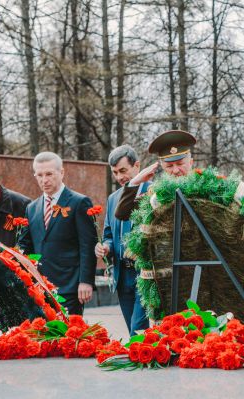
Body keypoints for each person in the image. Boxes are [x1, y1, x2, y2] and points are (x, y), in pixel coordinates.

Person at [18, 152, 97, 315]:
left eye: (49, 174)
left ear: (61, 173)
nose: (44, 180)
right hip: (41, 288)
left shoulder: (79, 202)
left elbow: (87, 245)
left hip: (70, 285)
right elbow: (26, 246)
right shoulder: (31, 208)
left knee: (68, 337)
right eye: (39, 175)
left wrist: (86, 281)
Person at [95, 145, 149, 336]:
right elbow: (108, 234)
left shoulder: (153, 192)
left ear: (137, 166)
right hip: (122, 275)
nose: (119, 177)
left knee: (138, 332)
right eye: (115, 172)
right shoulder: (113, 198)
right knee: (132, 331)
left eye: (123, 171)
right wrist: (105, 247)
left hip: (146, 275)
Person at [115, 130, 196, 221]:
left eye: (180, 164)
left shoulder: (206, 187)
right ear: (162, 167)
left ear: (190, 162)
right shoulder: (155, 194)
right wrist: (134, 182)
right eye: (169, 166)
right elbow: (122, 214)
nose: (176, 170)